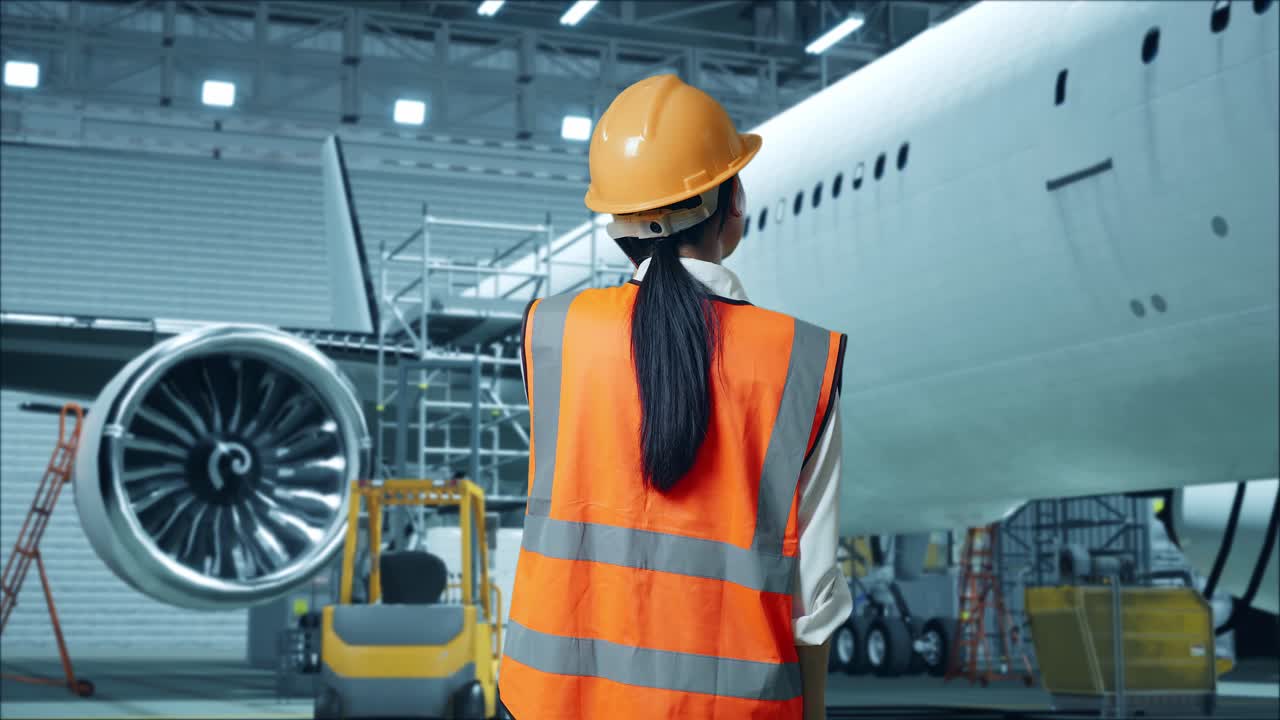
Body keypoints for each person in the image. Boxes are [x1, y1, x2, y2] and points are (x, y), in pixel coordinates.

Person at [499, 74, 852, 720]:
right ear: (734, 199)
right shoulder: (800, 361)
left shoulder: (550, 336)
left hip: (553, 704)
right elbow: (815, 597)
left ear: (615, 226)